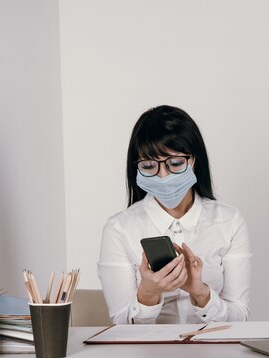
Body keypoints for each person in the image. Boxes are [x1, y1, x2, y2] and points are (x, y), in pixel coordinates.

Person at [97, 105, 251, 324]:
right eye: (149, 166)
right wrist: (148, 293)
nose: (163, 176)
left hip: (214, 354)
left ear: (194, 160)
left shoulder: (229, 222)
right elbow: (121, 324)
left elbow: (240, 317)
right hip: (147, 357)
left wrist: (201, 293)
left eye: (175, 163)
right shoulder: (119, 229)